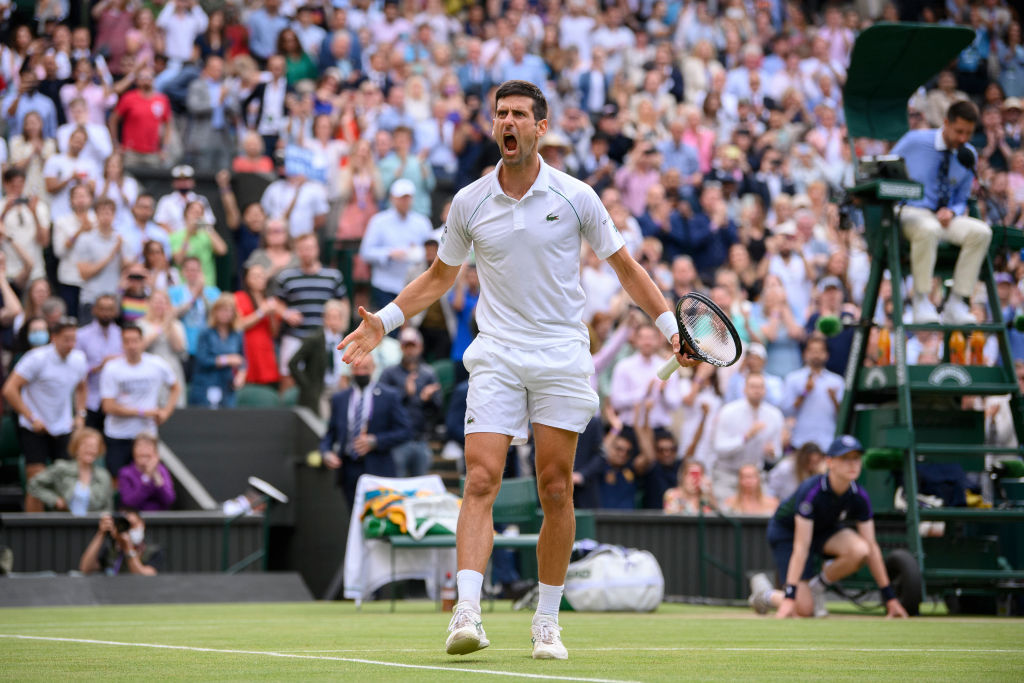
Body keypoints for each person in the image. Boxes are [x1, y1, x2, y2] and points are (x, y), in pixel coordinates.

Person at [338, 80, 696, 660]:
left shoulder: (578, 196)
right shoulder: (469, 201)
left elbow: (626, 268)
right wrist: (384, 321)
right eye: (500, 114)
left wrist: (669, 330)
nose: (508, 122)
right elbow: (438, 276)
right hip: (498, 351)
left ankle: (547, 622)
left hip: (560, 353)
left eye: (519, 115)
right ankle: (468, 612)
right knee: (480, 478)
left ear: (540, 128)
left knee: (555, 488)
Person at [748, 435, 910, 619]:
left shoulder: (859, 495)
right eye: (845, 458)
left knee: (861, 550)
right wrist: (790, 597)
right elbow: (801, 546)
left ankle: (816, 587)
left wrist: (890, 598)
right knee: (803, 610)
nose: (852, 464)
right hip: (788, 534)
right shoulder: (811, 492)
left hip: (822, 530)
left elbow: (871, 546)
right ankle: (765, 595)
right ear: (830, 462)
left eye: (856, 458)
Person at [892, 100, 992, 325]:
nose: (963, 138)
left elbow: (962, 197)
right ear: (946, 122)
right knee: (928, 229)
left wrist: (953, 211)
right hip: (911, 211)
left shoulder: (969, 154)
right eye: (958, 131)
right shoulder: (914, 141)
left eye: (968, 133)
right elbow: (883, 169)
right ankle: (921, 301)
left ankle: (956, 303)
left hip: (944, 219)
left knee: (981, 232)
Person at [3, 316, 88, 509]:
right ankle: (34, 532)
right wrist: (31, 417)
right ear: (54, 338)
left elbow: (82, 387)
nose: (71, 344)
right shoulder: (35, 359)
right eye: (66, 339)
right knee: (37, 480)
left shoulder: (79, 359)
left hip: (63, 427)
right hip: (34, 428)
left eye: (73, 339)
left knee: (66, 480)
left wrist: (80, 415)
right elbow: (9, 389)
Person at [319, 354, 413, 505]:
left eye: (365, 368)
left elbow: (405, 430)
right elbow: (330, 434)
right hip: (348, 468)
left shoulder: (389, 395)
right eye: (357, 368)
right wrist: (326, 452)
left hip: (378, 467)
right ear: (351, 370)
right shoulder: (340, 399)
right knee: (353, 517)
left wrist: (376, 441)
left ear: (373, 368)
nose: (361, 373)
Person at [99, 324, 181, 478]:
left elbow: (175, 387)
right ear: (122, 344)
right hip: (118, 434)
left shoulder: (156, 364)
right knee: (116, 479)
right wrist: (143, 411)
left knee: (147, 476)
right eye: (127, 341)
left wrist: (166, 412)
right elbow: (108, 406)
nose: (131, 346)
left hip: (146, 435)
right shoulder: (112, 368)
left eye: (135, 341)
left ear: (142, 341)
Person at [271, 233, 348, 391]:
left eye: (310, 248)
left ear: (317, 249)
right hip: (295, 336)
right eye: (303, 249)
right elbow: (276, 303)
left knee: (330, 380)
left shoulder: (333, 276)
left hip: (325, 338)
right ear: (297, 251)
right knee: (288, 378)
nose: (307, 252)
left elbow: (344, 302)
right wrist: (286, 313)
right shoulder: (287, 277)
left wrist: (342, 326)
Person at [377, 327, 443, 477]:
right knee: (396, 487)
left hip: (421, 439)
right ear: (401, 347)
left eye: (413, 346)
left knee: (419, 488)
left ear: (420, 347)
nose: (410, 351)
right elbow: (381, 406)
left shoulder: (428, 374)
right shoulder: (389, 373)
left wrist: (428, 400)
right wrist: (405, 394)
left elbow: (438, 411)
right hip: (396, 442)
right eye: (406, 346)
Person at [360, 179, 434, 312]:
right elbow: (365, 252)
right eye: (401, 198)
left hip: (414, 285)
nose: (405, 202)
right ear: (392, 198)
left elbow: (432, 251)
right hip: (385, 284)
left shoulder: (422, 222)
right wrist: (389, 254)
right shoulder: (379, 221)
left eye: (408, 198)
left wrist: (418, 253)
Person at [710, 373, 785, 505]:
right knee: (726, 515)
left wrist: (771, 453)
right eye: (753, 386)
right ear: (744, 389)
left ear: (765, 390)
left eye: (761, 387)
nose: (757, 390)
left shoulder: (775, 415)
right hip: (728, 476)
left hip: (756, 478)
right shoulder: (728, 411)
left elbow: (776, 455)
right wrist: (746, 437)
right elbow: (719, 448)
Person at [25, 427, 114, 514]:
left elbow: (108, 508)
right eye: (86, 445)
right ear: (76, 447)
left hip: (93, 525)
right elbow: (34, 484)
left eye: (95, 446)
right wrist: (55, 500)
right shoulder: (61, 468)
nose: (90, 449)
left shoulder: (104, 475)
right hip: (65, 524)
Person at [783, 335, 844, 451]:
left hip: (828, 441)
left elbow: (842, 416)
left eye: (820, 351)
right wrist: (805, 393)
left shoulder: (837, 381)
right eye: (812, 351)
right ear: (805, 354)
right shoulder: (793, 379)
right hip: (801, 441)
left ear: (827, 355)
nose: (816, 355)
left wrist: (834, 399)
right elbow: (787, 411)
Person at [75, 294, 123, 431]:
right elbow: (76, 369)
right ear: (94, 310)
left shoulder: (122, 335)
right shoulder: (81, 336)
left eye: (110, 309)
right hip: (91, 400)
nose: (106, 313)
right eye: (102, 309)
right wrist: (98, 367)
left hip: (116, 400)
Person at [189, 294, 246, 407]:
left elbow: (242, 359)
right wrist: (226, 360)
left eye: (229, 310)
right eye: (223, 310)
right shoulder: (206, 332)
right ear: (215, 311)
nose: (226, 314)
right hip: (205, 384)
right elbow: (202, 359)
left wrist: (241, 374)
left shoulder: (237, 333)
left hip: (228, 386)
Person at [235, 263, 281, 389]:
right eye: (255, 276)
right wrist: (261, 312)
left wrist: (271, 315)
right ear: (247, 279)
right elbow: (239, 324)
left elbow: (274, 332)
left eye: (261, 276)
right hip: (247, 349)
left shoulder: (269, 300)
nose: (259, 279)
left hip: (265, 351)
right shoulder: (240, 297)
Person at [78, 506, 159, 575]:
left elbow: (144, 577)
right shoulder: (110, 550)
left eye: (133, 525)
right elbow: (85, 569)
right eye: (125, 526)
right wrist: (101, 533)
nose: (129, 530)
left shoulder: (153, 551)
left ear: (142, 524)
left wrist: (128, 548)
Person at [117, 433, 176, 511]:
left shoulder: (162, 470)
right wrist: (147, 476)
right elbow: (129, 502)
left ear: (155, 452)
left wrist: (156, 476)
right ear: (133, 451)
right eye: (139, 446)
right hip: (136, 518)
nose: (143, 450)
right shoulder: (125, 473)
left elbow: (169, 499)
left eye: (148, 446)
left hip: (160, 519)